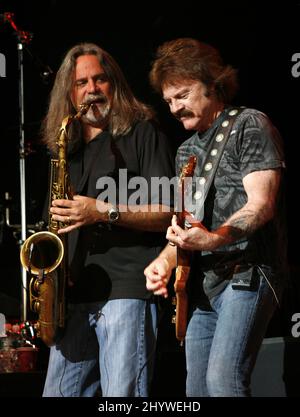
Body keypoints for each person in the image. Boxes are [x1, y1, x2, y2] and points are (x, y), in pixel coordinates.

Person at [144, 37, 287, 397]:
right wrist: (163, 261)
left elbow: (261, 205)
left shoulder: (249, 125)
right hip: (203, 287)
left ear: (212, 83)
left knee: (223, 382)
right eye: (169, 101)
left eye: (183, 95)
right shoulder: (185, 151)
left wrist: (212, 239)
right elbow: (186, 226)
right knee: (196, 391)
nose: (175, 108)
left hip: (248, 273)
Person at [41, 42, 175, 397]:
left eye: (100, 80)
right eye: (81, 83)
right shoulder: (66, 150)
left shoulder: (143, 133)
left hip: (126, 290)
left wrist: (100, 211)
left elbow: (168, 212)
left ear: (114, 84)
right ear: (68, 94)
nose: (92, 90)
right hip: (73, 299)